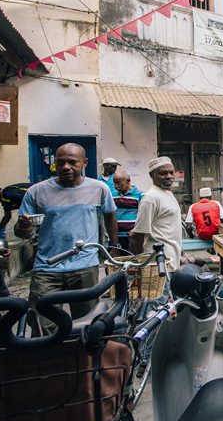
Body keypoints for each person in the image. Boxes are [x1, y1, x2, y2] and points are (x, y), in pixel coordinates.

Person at [14, 143, 118, 334]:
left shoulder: (99, 189)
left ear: (84, 162)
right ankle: (51, 360)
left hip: (85, 266)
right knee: (41, 322)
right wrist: (23, 226)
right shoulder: (37, 191)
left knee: (87, 322)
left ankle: (82, 360)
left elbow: (110, 216)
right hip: (46, 267)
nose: (66, 167)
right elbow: (21, 232)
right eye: (61, 162)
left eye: (72, 162)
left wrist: (114, 246)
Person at [130, 157, 182, 267]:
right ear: (151, 175)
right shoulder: (150, 198)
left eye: (171, 172)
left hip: (172, 261)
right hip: (159, 264)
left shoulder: (167, 193)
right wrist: (133, 264)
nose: (169, 176)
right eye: (163, 173)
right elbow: (137, 236)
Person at [111, 169, 142, 252]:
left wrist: (135, 229)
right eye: (114, 183)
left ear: (128, 181)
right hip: (117, 238)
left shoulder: (140, 195)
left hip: (132, 237)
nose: (116, 186)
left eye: (119, 183)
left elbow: (143, 216)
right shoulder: (112, 196)